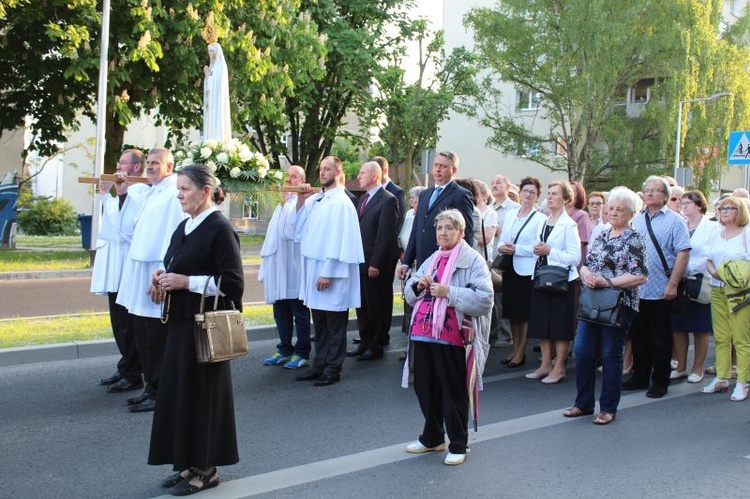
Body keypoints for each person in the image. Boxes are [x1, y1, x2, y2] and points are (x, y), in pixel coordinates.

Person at [148, 163, 243, 495]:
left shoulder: (220, 228)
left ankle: (208, 469)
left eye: (185, 189)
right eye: (178, 188)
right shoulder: (185, 226)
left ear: (206, 191)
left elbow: (232, 283)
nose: (179, 195)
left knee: (203, 398)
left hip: (204, 330)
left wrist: (186, 282)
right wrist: (160, 278)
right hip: (180, 325)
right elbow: (174, 262)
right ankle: (188, 462)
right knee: (181, 396)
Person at [402, 209, 493, 466]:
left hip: (453, 336)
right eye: (439, 228)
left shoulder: (473, 259)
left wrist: (449, 292)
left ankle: (458, 443)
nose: (442, 233)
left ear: (461, 232)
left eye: (448, 229)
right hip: (422, 334)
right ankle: (432, 437)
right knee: (425, 388)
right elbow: (410, 291)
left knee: (453, 391)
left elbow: (485, 300)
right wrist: (418, 286)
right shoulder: (432, 257)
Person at [563, 186, 648, 425]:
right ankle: (583, 404)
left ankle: (608, 407)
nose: (613, 212)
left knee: (611, 354)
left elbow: (640, 275)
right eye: (611, 208)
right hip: (592, 300)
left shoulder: (634, 239)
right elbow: (586, 262)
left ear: (631, 213)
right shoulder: (601, 234)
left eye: (619, 209)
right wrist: (585, 272)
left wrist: (607, 281)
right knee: (582, 351)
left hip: (619, 303)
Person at [116, 147, 187, 412]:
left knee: (156, 337)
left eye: (156, 162)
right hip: (140, 269)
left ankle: (160, 391)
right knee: (141, 333)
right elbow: (129, 230)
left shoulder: (171, 194)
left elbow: (172, 237)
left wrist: (161, 275)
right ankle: (150, 386)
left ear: (169, 166)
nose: (150, 166)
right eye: (148, 162)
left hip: (155, 273)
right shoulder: (151, 191)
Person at [291, 156, 364, 386]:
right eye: (321, 169)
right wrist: (302, 199)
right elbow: (297, 229)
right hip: (314, 269)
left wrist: (328, 272)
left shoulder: (341, 203)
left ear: (338, 171)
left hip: (331, 272)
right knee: (319, 323)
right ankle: (319, 363)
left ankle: (334, 367)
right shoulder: (318, 200)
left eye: (327, 169)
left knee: (334, 324)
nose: (322, 172)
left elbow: (339, 240)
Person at [624, 176, 691, 398]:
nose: (650, 193)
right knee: (639, 335)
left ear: (664, 195)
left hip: (662, 288)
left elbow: (683, 253)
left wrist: (673, 284)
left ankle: (660, 380)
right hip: (636, 290)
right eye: (646, 190)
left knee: (660, 338)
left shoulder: (675, 221)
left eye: (655, 190)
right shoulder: (637, 220)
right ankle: (640, 376)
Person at [92, 149, 148, 394]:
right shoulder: (125, 190)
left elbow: (122, 225)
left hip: (126, 265)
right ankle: (126, 364)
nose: (118, 166)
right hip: (115, 266)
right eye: (118, 162)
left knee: (127, 323)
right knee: (119, 322)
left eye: (123, 163)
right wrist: (109, 195)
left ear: (137, 167)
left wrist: (107, 196)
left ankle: (133, 371)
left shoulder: (140, 190)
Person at [526, 181, 581, 384]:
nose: (549, 197)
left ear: (566, 199)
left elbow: (575, 257)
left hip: (561, 281)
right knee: (542, 322)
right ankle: (545, 364)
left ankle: (559, 368)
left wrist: (550, 251)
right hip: (542, 277)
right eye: (548, 193)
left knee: (559, 324)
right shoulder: (543, 220)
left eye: (555, 194)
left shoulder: (569, 224)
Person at [259, 165, 312, 369]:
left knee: (298, 310)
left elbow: (292, 231)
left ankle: (302, 351)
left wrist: (299, 198)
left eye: (295, 177)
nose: (289, 181)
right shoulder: (280, 205)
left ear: (302, 181)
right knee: (280, 310)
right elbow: (273, 237)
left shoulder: (305, 204)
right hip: (278, 267)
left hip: (294, 267)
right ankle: (284, 348)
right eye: (287, 177)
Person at [349, 161, 398, 360]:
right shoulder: (363, 199)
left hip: (374, 264)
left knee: (375, 305)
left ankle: (375, 345)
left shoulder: (388, 200)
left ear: (374, 176)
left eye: (362, 173)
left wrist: (376, 263)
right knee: (362, 305)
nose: (359, 176)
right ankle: (364, 341)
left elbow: (385, 235)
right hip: (361, 261)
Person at [399, 151, 475, 278]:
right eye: (436, 165)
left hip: (447, 262)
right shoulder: (425, 194)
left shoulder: (461, 195)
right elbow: (416, 230)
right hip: (423, 261)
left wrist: (461, 263)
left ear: (454, 170)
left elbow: (466, 232)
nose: (438, 170)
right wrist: (406, 262)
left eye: (443, 166)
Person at [702, 196, 750, 400]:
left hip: (739, 292)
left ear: (740, 211)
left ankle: (742, 381)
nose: (724, 211)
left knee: (741, 338)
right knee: (721, 337)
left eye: (730, 208)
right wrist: (715, 274)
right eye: (721, 208)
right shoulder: (715, 232)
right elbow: (709, 259)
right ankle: (721, 377)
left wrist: (723, 275)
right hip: (717, 287)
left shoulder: (747, 233)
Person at [497, 176, 545, 368]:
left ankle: (520, 353)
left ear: (537, 196)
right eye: (525, 190)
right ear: (519, 192)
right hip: (510, 268)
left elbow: (538, 247)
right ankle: (515, 349)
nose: (527, 195)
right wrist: (502, 248)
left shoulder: (540, 218)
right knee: (513, 313)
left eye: (532, 192)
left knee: (524, 314)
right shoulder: (510, 214)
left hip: (527, 270)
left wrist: (517, 249)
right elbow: (502, 240)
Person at [670, 191, 715, 383]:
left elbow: (710, 253)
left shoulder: (711, 227)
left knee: (699, 327)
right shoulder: (680, 224)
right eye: (683, 202)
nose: (684, 205)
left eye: (688, 202)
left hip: (699, 280)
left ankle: (697, 368)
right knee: (678, 326)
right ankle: (680, 365)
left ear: (699, 205)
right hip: (680, 281)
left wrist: (691, 266)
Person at [489, 174, 519, 347]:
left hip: (506, 261)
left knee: (501, 299)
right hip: (490, 258)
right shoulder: (489, 207)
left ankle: (506, 335)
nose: (494, 185)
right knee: (491, 298)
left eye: (498, 182)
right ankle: (493, 332)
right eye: (492, 182)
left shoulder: (514, 208)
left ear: (508, 187)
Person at [202, 42, 231, 143]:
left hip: (218, 101)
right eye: (208, 51)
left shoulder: (221, 66)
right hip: (211, 102)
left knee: (217, 121)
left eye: (211, 51)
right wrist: (207, 76)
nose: (210, 53)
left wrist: (209, 76)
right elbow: (208, 84)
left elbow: (219, 83)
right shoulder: (212, 66)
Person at [373, 156, 406, 234]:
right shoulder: (371, 192)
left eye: (375, 172)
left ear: (384, 170)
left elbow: (397, 223)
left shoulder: (397, 192)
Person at [474, 180, 498, 262]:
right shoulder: (467, 211)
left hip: (481, 259)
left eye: (476, 194)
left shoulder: (490, 213)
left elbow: (486, 239)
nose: (473, 196)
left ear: (484, 195)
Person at [399, 186, 426, 253]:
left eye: (413, 197)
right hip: (404, 252)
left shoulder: (425, 215)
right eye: (410, 197)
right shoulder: (409, 213)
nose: (410, 200)